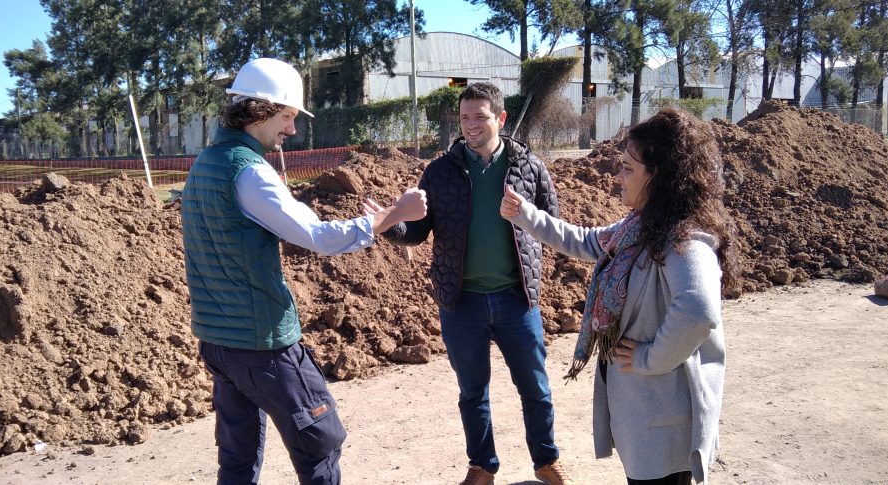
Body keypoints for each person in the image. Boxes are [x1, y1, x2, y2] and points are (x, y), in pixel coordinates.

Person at [180, 57, 427, 485]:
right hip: (263, 345)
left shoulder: (205, 163)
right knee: (320, 445)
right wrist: (391, 214)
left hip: (219, 342)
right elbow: (316, 236)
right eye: (287, 115)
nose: (291, 129)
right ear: (260, 109)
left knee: (237, 460)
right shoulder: (248, 171)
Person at [500, 108, 740, 484]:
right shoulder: (639, 229)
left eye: (628, 168)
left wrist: (648, 358)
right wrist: (526, 215)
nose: (618, 176)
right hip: (646, 416)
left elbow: (699, 311)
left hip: (664, 418)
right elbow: (583, 240)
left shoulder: (684, 241)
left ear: (658, 176)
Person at [373, 82, 574, 485]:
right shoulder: (440, 171)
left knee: (535, 387)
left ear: (499, 118)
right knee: (472, 392)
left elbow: (552, 225)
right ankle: (482, 466)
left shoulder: (528, 166)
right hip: (460, 302)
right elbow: (418, 231)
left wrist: (534, 269)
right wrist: (390, 223)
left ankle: (546, 462)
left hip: (517, 300)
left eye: (479, 117)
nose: (470, 125)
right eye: (464, 118)